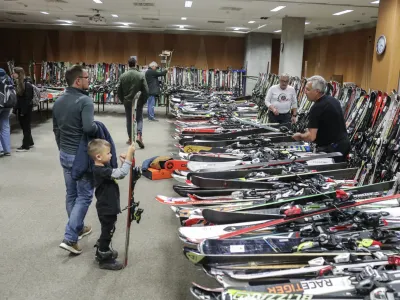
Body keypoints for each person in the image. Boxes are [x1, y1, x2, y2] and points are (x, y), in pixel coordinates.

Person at [53, 64, 98, 254]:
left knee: (71, 194)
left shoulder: (59, 100)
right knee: (85, 196)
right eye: (87, 78)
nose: (90, 80)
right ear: (78, 81)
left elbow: (56, 129)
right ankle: (71, 237)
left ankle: (78, 228)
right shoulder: (85, 101)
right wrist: (98, 128)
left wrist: (62, 148)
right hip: (80, 156)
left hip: (64, 153)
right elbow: (89, 128)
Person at [88, 139, 135, 270]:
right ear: (98, 156)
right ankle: (104, 257)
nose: (111, 155)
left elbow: (115, 173)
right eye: (108, 153)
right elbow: (121, 174)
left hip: (108, 205)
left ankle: (104, 249)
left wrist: (122, 162)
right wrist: (129, 157)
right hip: (106, 207)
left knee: (108, 229)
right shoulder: (99, 170)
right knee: (107, 231)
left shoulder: (103, 166)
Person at [292, 75, 350, 162]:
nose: (305, 92)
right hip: (344, 144)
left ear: (317, 91)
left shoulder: (317, 108)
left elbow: (311, 137)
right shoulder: (333, 100)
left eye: (308, 89)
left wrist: (300, 136)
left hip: (333, 149)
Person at [117, 56, 149, 148]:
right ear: (136, 64)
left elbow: (118, 89)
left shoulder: (123, 76)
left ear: (128, 65)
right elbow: (146, 90)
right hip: (138, 101)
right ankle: (139, 135)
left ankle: (131, 138)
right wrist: (143, 100)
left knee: (129, 119)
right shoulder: (141, 75)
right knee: (139, 118)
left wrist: (123, 99)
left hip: (127, 101)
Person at [12, 67, 34, 152]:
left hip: (25, 110)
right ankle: (30, 142)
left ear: (19, 73)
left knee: (26, 127)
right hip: (21, 109)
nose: (13, 74)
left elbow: (28, 99)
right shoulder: (19, 83)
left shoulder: (27, 84)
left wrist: (23, 112)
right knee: (25, 127)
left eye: (14, 73)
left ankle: (25, 146)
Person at [0, 68, 13, 157]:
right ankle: (7, 149)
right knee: (5, 126)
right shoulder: (8, 79)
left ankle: (0, 149)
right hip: (8, 105)